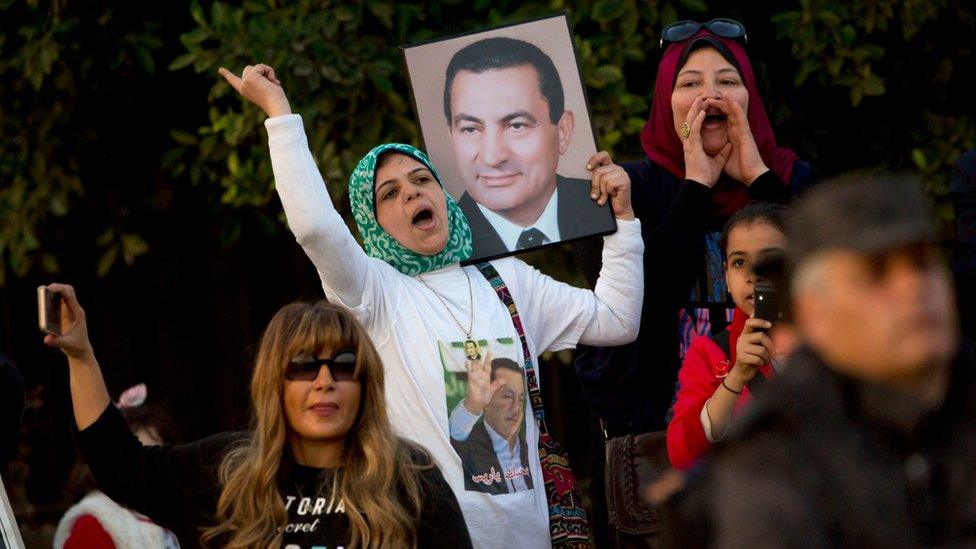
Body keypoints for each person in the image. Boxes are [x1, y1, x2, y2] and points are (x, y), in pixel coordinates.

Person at [217, 60, 642, 548]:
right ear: (372, 224)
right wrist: (279, 112)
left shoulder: (505, 278)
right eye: (389, 193)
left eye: (422, 180)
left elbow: (618, 320)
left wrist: (625, 221)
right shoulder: (372, 291)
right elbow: (314, 228)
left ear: (444, 193)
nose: (412, 193)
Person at [667, 175, 976, 546]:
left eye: (923, 264)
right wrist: (736, 378)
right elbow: (682, 452)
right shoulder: (770, 472)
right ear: (815, 308)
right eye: (875, 274)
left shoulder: (958, 405)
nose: (912, 289)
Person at [43, 285, 471, 548]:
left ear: (365, 382)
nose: (325, 380)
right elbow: (116, 463)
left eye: (343, 364)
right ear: (275, 383)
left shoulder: (411, 480)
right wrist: (80, 355)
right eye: (303, 364)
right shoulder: (225, 472)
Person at [444, 37, 615, 258]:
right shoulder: (444, 250)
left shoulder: (608, 209)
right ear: (452, 136)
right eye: (470, 129)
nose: (492, 157)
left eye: (516, 126)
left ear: (563, 130)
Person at [666, 202, 786, 470]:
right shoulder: (709, 352)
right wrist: (737, 376)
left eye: (770, 260)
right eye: (739, 262)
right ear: (726, 277)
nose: (754, 276)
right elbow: (682, 454)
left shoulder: (834, 339)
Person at [56, 384, 182, 548]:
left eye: (153, 457)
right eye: (133, 459)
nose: (143, 468)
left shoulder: (172, 516)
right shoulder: (93, 524)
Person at [449, 357, 531, 494]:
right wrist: (473, 405)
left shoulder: (527, 448)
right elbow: (453, 436)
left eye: (521, 399)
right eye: (508, 396)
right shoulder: (469, 447)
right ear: (486, 400)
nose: (516, 408)